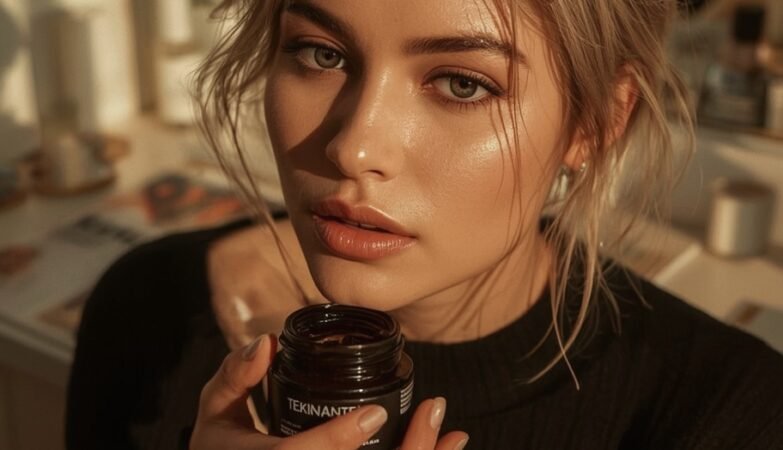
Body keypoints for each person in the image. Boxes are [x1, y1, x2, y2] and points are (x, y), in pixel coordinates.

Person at [66, 0, 783, 449]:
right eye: (321, 52)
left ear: (596, 123)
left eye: (462, 83)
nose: (354, 147)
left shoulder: (729, 412)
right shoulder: (149, 306)